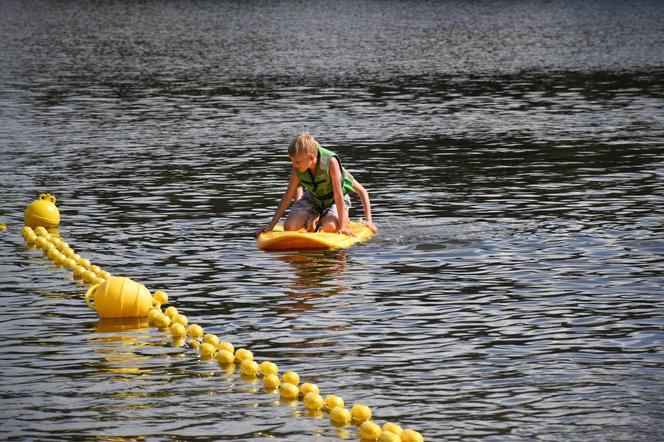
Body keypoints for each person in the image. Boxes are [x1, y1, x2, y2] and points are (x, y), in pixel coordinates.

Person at [258, 132, 377, 237]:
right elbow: (288, 196)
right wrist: (271, 226)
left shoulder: (330, 163)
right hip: (314, 198)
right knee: (289, 226)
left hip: (334, 200)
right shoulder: (297, 168)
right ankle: (316, 217)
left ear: (311, 157)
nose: (294, 165)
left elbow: (343, 195)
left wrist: (363, 222)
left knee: (330, 227)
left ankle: (343, 219)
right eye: (292, 161)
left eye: (297, 161)